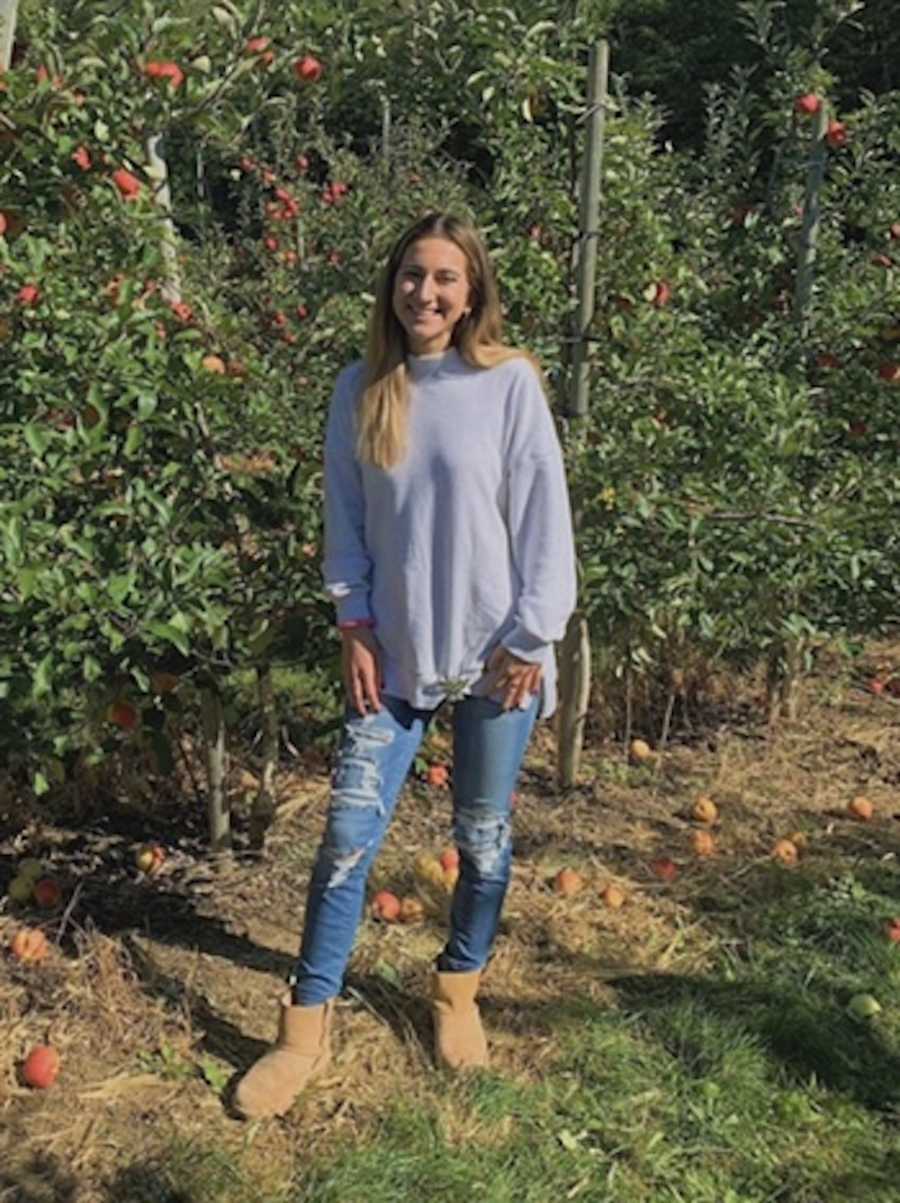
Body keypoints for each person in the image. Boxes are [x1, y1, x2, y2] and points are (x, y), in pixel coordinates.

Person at [234, 211, 577, 1119]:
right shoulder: (362, 387)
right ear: (393, 287)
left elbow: (546, 518)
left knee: (483, 842)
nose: (425, 292)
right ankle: (302, 1026)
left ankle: (455, 988)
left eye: (445, 278)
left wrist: (534, 635)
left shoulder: (507, 386)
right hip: (390, 652)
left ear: (472, 294)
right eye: (411, 275)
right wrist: (353, 619)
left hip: (497, 654)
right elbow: (345, 519)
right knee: (347, 837)